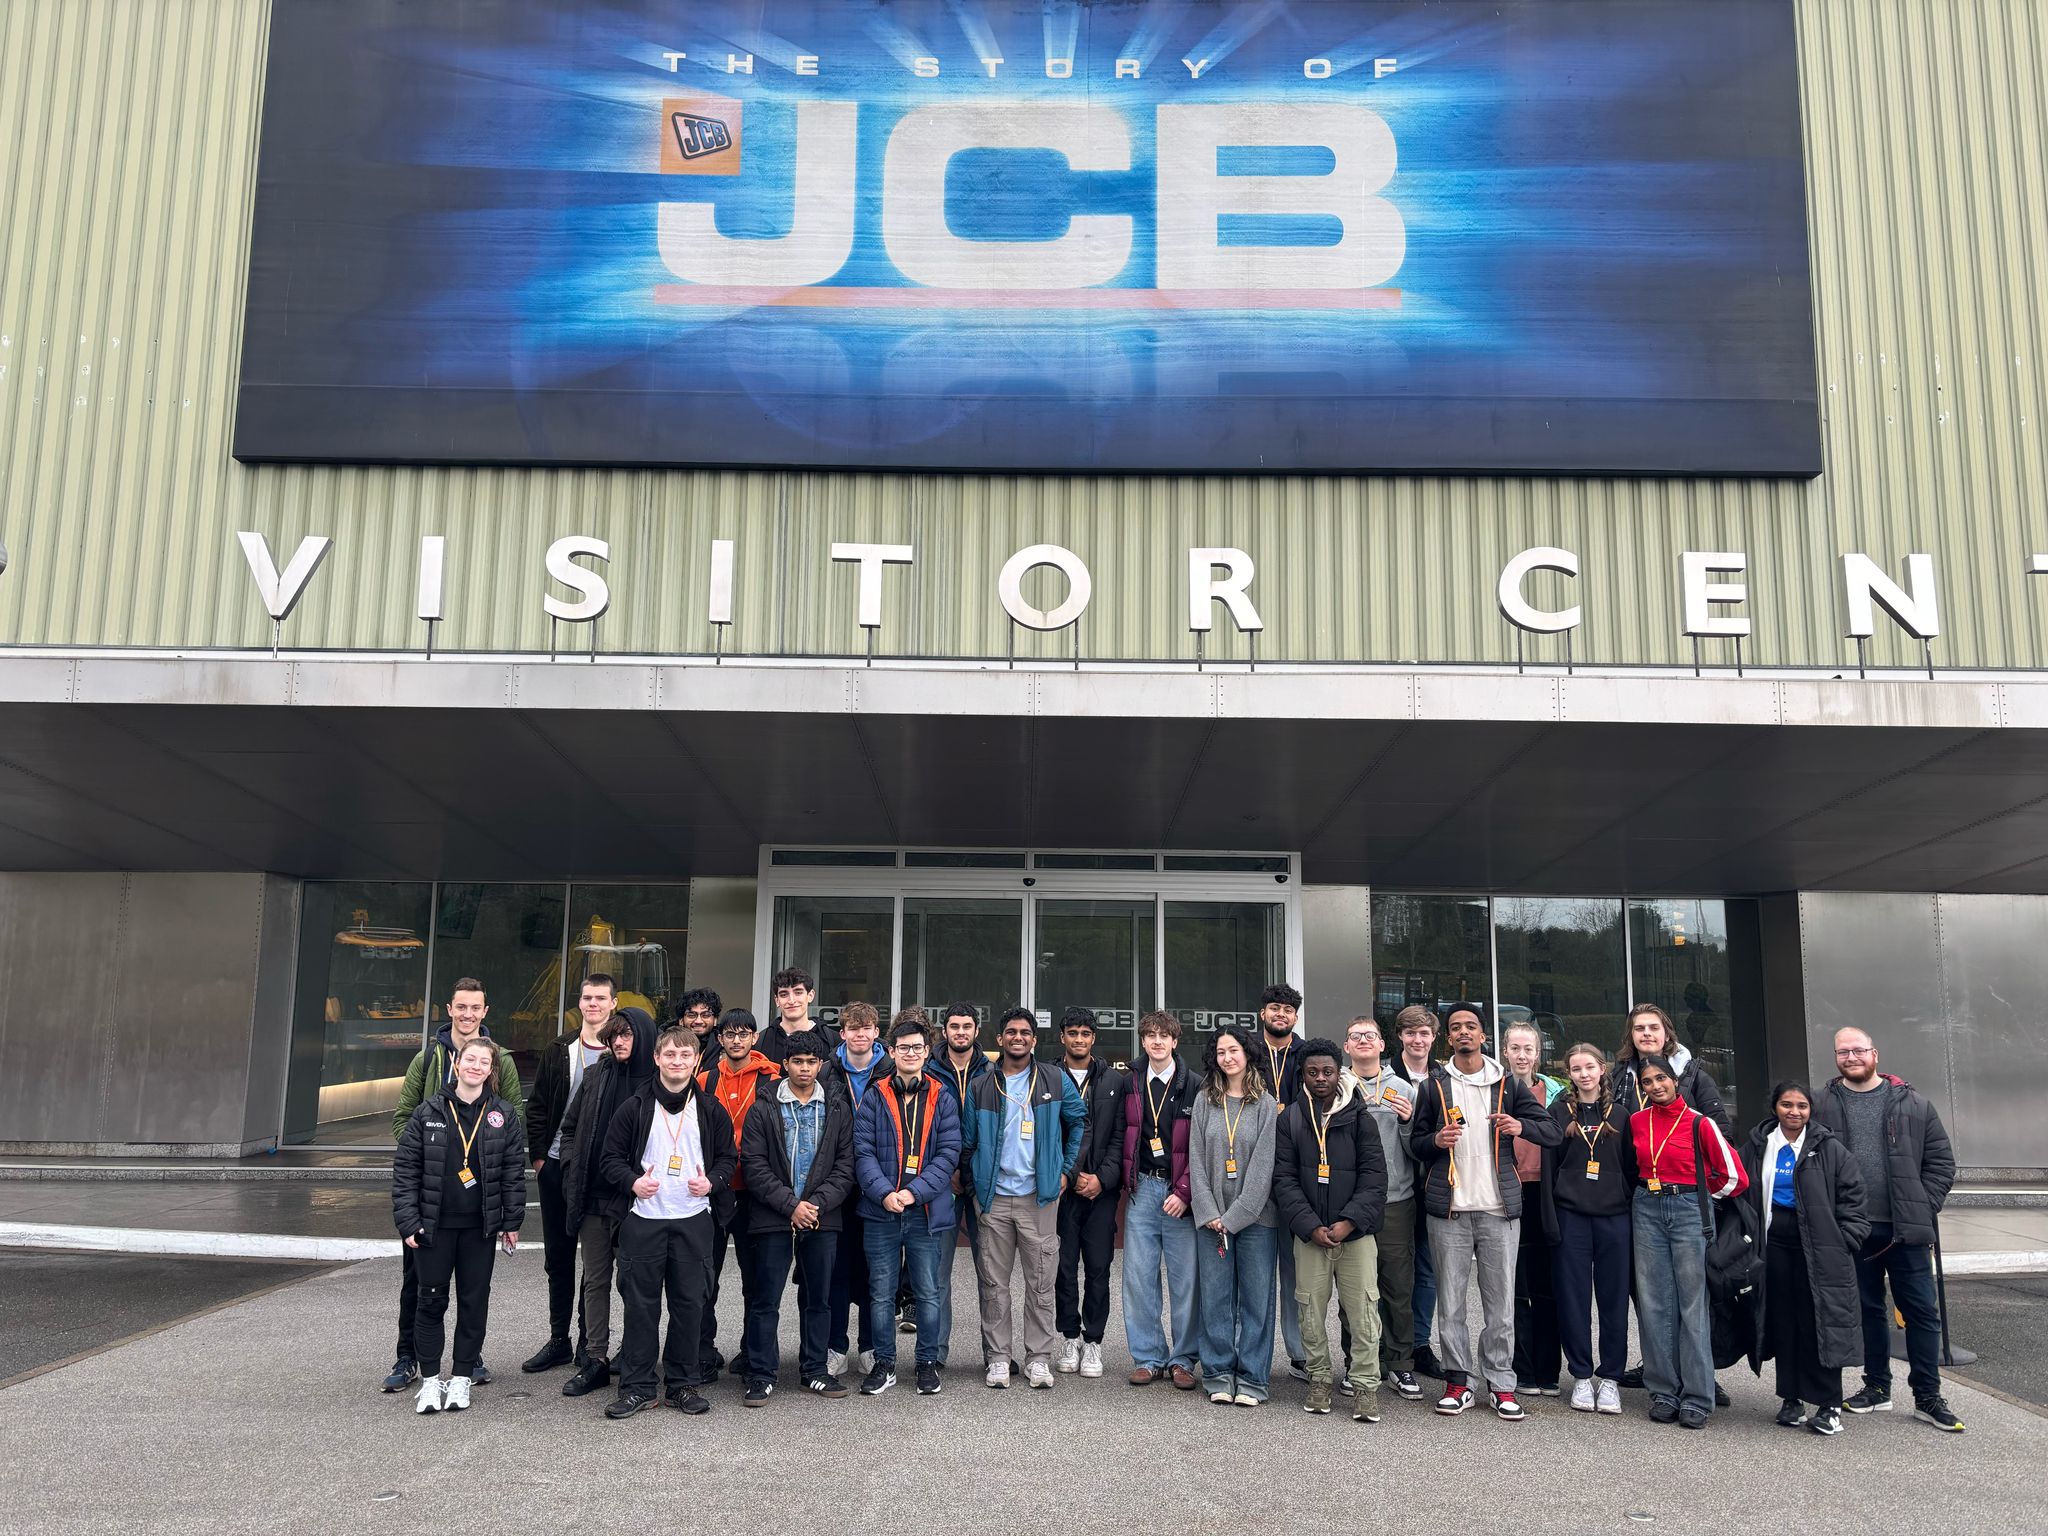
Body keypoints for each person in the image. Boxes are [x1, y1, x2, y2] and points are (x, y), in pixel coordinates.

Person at [1407, 1002, 1561, 1421]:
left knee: (1501, 1305)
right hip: (1450, 1210)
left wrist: (1520, 1126)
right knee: (1451, 1303)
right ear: (1449, 1037)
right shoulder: (1434, 1086)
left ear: (1483, 1035)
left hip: (1498, 1210)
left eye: (1470, 1026)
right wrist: (1435, 1140)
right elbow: (1415, 1143)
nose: (1463, 1032)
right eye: (1456, 1027)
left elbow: (1550, 1131)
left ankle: (1501, 1383)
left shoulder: (1507, 1084)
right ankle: (1458, 1381)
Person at [1813, 1027, 1962, 1431]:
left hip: (1905, 1230)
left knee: (1921, 1313)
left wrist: (1922, 1207)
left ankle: (1928, 1396)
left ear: (1874, 1054)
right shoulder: (1821, 1104)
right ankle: (1877, 1387)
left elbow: (1941, 1163)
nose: (1851, 1057)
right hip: (1852, 1229)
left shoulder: (1914, 1104)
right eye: (1843, 1052)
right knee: (1867, 1310)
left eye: (1858, 1050)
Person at [382, 976, 523, 1394]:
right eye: (461, 1006)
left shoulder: (502, 1060)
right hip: (430, 1201)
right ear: (450, 1009)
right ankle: (409, 1357)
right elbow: (403, 1118)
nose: (468, 1013)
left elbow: (511, 1119)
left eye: (475, 1007)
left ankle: (467, 1360)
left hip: (477, 1205)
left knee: (474, 1291)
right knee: (419, 1285)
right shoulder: (427, 1058)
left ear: (485, 1011)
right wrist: (431, 1153)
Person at [599, 1026, 734, 1418]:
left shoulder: (710, 1109)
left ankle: (682, 1384)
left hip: (693, 1220)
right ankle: (637, 1387)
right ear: (657, 1058)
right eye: (670, 1054)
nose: (677, 1061)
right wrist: (632, 1182)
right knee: (640, 1307)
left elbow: (729, 1158)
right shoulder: (635, 1107)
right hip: (644, 1220)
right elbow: (609, 1159)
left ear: (697, 1061)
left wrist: (712, 1182)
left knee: (690, 1305)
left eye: (685, 1055)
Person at [962, 1006, 1087, 1389]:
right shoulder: (982, 1085)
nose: (1018, 1037)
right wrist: (974, 1188)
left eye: (1025, 1032)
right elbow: (967, 1143)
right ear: (1000, 1039)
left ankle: (1038, 1359)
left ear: (1034, 1039)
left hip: (1039, 1198)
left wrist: (1066, 1171)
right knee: (993, 1285)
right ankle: (999, 1358)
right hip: (994, 1199)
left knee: (1041, 1284)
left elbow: (1079, 1122)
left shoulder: (1054, 1078)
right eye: (1011, 1032)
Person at [1741, 1079, 1868, 1436]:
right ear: (1775, 1108)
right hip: (1774, 1244)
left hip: (1821, 1246)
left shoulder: (1829, 1149)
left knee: (1819, 1323)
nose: (1794, 1112)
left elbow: (1854, 1196)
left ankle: (1829, 1405)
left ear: (1811, 1110)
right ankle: (1791, 1398)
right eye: (1787, 1105)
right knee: (1784, 1320)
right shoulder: (1759, 1145)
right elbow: (1739, 1188)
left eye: (1801, 1106)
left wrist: (1846, 1239)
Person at [1628, 1053, 1747, 1429]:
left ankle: (1697, 1395)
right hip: (1646, 1206)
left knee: (1692, 1303)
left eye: (1661, 1078)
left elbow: (1735, 1177)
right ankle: (1664, 1391)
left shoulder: (1700, 1123)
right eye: (1647, 1082)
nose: (1655, 1086)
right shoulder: (1637, 1121)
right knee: (1653, 1303)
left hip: (1687, 1209)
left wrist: (1701, 1195)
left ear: (1674, 1080)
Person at [739, 1028, 856, 1402]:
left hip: (822, 1216)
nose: (805, 1068)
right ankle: (761, 1374)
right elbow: (754, 1165)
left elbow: (846, 1165)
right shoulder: (763, 1106)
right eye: (797, 1062)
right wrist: (791, 1205)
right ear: (785, 1064)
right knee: (765, 1299)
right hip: (773, 1216)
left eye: (811, 1062)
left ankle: (815, 1371)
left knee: (818, 1298)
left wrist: (815, 1205)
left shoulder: (837, 1107)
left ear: (821, 1065)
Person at [1274, 1039, 1388, 1421]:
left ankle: (1365, 1386)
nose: (1320, 1078)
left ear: (1339, 1073)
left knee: (1364, 1314)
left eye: (1327, 1071)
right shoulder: (1290, 1119)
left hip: (1356, 1235)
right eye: (1313, 1072)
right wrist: (1310, 1226)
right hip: (1311, 1237)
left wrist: (1350, 1221)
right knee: (1309, 1312)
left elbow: (1375, 1177)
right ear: (1302, 1075)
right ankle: (1319, 1379)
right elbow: (1284, 1180)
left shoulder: (1361, 1117)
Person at [852, 1015, 962, 1397]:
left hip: (925, 1213)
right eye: (903, 1048)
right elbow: (862, 1151)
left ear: (927, 1051)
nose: (910, 1053)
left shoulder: (942, 1097)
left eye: (917, 1047)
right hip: (880, 1211)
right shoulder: (874, 1095)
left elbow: (949, 1154)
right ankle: (884, 1364)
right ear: (892, 1051)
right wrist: (885, 1193)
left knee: (928, 1293)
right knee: (881, 1294)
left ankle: (926, 1363)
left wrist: (914, 1193)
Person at [523, 972, 619, 1376]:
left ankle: (587, 1342)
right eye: (586, 997)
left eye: (600, 998)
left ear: (613, 1003)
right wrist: (540, 1159)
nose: (592, 1004)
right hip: (557, 1165)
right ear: (579, 1003)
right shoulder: (560, 1048)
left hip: (599, 1173)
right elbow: (538, 1105)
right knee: (558, 1256)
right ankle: (558, 1339)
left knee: (595, 1261)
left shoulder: (621, 1051)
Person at [556, 1007, 654, 1398]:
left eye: (627, 1034)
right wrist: (570, 1168)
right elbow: (569, 1129)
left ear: (643, 1036)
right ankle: (595, 1358)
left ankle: (632, 1354)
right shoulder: (597, 1074)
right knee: (595, 1281)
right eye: (614, 1035)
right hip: (593, 1197)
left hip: (637, 1202)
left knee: (633, 1282)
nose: (619, 1041)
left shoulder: (657, 1080)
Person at [1189, 1024, 1280, 1407]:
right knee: (1215, 1298)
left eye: (1234, 1050)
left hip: (1257, 1219)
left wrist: (1235, 1216)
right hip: (1212, 1219)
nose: (1227, 1058)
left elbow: (1264, 1167)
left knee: (1257, 1300)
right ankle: (1218, 1374)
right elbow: (1195, 1159)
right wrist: (1210, 1212)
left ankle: (1253, 1378)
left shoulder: (1266, 1104)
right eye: (1221, 1052)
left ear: (1248, 1053)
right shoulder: (1204, 1100)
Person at [1545, 1043, 1634, 1415]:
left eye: (1589, 1067)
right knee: (1573, 1299)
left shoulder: (1622, 1114)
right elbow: (1549, 1169)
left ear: (1602, 1069)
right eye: (1576, 1069)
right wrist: (1551, 1220)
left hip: (1614, 1219)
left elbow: (1631, 1167)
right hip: (1572, 1218)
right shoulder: (1557, 1113)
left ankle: (1610, 1377)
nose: (1583, 1074)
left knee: (1614, 1300)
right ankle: (1581, 1375)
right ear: (1569, 1074)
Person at [697, 1008, 780, 1382]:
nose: (736, 1040)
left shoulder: (772, 1078)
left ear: (754, 1038)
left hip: (755, 1193)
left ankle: (751, 1351)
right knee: (704, 1277)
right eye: (729, 1034)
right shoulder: (704, 1079)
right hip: (713, 1192)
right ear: (720, 1039)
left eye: (744, 1034)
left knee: (755, 1279)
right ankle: (703, 1351)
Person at [1120, 1010, 1202, 1391]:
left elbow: (1202, 1147)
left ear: (1174, 1041)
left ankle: (1183, 1359)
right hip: (1142, 1188)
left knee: (1186, 1280)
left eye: (1163, 1036)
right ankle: (1148, 1357)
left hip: (1179, 1192)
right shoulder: (1130, 1082)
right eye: (1150, 1035)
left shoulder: (1195, 1086)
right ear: (1142, 1041)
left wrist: (1185, 1192)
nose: (1157, 1041)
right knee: (1139, 1277)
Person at [1342, 1016, 1422, 1402]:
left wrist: (1407, 1123)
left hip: (1395, 1201)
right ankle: (1357, 1362)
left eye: (1369, 1036)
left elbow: (1417, 1148)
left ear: (1381, 1045)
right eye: (1355, 1036)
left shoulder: (1403, 1089)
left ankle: (1400, 1364)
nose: (1363, 1041)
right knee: (1354, 1291)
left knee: (1397, 1287)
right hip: (1350, 1202)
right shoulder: (1337, 1087)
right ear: (1346, 1047)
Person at [1052, 1007, 1127, 1378]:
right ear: (1062, 1037)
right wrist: (1066, 1174)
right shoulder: (1049, 1076)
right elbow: (1047, 1133)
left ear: (1093, 1038)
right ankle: (1069, 1336)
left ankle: (1093, 1341)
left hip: (1101, 1191)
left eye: (1085, 1033)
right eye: (1072, 1033)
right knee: (1063, 1268)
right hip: (1061, 1190)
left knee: (1098, 1268)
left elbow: (1120, 1135)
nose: (1078, 1039)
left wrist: (1102, 1179)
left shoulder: (1115, 1080)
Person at [826, 1000, 891, 1377]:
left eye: (867, 1028)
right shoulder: (827, 1071)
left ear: (876, 1033)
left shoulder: (890, 1069)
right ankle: (836, 1346)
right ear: (843, 1033)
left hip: (879, 1181)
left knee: (874, 1271)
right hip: (837, 1183)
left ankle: (870, 1345)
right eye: (854, 1028)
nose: (860, 1034)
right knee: (836, 1269)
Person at [1503, 1019, 1564, 1396]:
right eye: (1515, 1048)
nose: (1522, 1055)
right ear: (1505, 1052)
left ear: (1538, 1054)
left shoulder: (1556, 1095)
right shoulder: (1496, 1089)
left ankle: (1548, 1370)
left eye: (1528, 1049)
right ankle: (1521, 1368)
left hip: (1546, 1195)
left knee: (1546, 1286)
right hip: (1510, 1192)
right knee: (1515, 1287)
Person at [1254, 982, 1308, 1381]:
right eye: (1275, 1008)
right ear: (1263, 1013)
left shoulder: (1307, 1054)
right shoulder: (1245, 1050)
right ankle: (1251, 1353)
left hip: (1296, 1172)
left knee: (1296, 1273)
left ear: (1295, 1017)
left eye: (1288, 1010)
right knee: (1254, 1272)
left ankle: (1301, 1353)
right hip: (1251, 1168)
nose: (1281, 1014)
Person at [932, 1001, 990, 1370]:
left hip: (982, 1182)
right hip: (942, 1183)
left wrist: (973, 1171)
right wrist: (946, 1171)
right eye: (954, 1026)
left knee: (991, 1274)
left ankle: (994, 1354)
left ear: (976, 1031)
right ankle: (934, 1354)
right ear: (945, 1032)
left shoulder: (992, 1071)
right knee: (937, 1273)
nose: (960, 1032)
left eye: (967, 1026)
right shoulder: (929, 1070)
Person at [1391, 1004, 1445, 1379]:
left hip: (1433, 1186)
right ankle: (1390, 1344)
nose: (1417, 1040)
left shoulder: (1444, 1079)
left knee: (1427, 1270)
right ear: (1399, 1037)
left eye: (1424, 1033)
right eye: (1410, 1033)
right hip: (1393, 1188)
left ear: (1433, 1037)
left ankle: (1420, 1344)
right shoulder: (1385, 1076)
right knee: (1392, 1271)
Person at [1613, 1002, 1732, 1134]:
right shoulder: (1618, 1077)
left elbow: (1720, 1133)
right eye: (1639, 1028)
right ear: (1631, 1036)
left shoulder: (1696, 1078)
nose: (1646, 1033)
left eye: (1654, 1028)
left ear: (1667, 1035)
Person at [758, 966, 836, 1067]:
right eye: (784, 994)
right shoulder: (761, 1042)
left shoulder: (833, 1041)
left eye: (798, 992)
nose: (791, 1001)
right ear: (777, 1000)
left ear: (810, 996)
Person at [676, 987, 721, 1055]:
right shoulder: (666, 1043)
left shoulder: (725, 1044)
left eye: (705, 1015)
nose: (698, 1021)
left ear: (715, 1020)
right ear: (681, 1021)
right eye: (691, 1015)